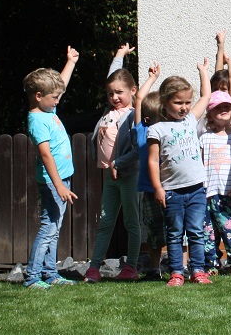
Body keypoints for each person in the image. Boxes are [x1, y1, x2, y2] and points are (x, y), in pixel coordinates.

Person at [147, 60, 213, 286]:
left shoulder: (189, 121)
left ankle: (198, 271)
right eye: (178, 103)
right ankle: (177, 272)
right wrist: (158, 188)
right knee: (174, 234)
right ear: (164, 102)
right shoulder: (157, 129)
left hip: (196, 188)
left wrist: (204, 72)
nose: (184, 107)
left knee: (196, 231)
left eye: (187, 102)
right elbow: (153, 160)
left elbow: (206, 97)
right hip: (172, 191)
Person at [22, 46, 80, 289]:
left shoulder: (48, 108)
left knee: (54, 229)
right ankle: (33, 277)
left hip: (61, 180)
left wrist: (71, 62)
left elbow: (60, 86)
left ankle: (50, 273)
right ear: (38, 96)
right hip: (52, 181)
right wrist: (59, 186)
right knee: (49, 228)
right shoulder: (37, 120)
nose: (58, 100)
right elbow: (45, 155)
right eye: (54, 97)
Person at [84, 43, 141, 283]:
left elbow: (139, 148)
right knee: (106, 221)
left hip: (128, 175)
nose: (115, 97)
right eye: (110, 93)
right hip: (110, 176)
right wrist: (119, 55)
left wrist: (118, 162)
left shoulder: (133, 114)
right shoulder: (109, 112)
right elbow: (112, 77)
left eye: (120, 92)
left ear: (133, 91)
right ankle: (94, 267)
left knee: (131, 221)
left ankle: (132, 266)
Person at [201, 90, 231, 274]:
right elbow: (201, 165)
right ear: (210, 114)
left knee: (230, 230)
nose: (223, 109)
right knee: (208, 232)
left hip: (229, 192)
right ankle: (212, 264)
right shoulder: (205, 138)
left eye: (227, 107)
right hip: (208, 192)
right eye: (218, 107)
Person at [133, 61, 165, 280]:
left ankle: (177, 267)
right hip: (149, 191)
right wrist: (152, 79)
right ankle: (154, 268)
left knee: (176, 230)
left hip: (172, 189)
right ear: (148, 120)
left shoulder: (170, 130)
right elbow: (139, 100)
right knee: (154, 232)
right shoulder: (142, 131)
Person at [211, 29, 231, 100]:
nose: (219, 93)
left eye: (223, 90)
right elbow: (218, 73)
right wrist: (220, 46)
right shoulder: (213, 99)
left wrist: (228, 60)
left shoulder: (230, 99)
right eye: (215, 89)